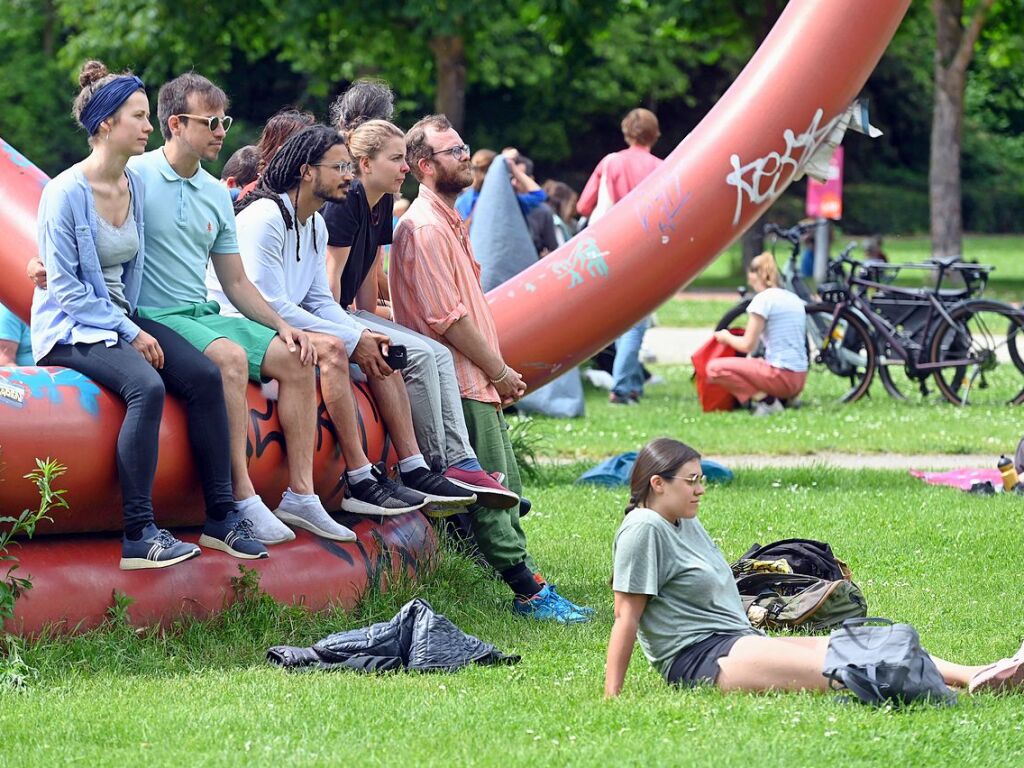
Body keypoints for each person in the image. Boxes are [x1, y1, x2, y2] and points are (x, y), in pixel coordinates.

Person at [29, 72, 349, 543]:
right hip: (133, 319)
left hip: (179, 314)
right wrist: (43, 267)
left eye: (226, 121)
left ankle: (298, 495)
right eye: (212, 121)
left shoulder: (200, 192)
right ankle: (233, 501)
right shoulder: (129, 175)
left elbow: (234, 280)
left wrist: (284, 325)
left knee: (299, 358)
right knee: (209, 368)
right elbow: (71, 261)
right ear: (176, 123)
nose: (223, 130)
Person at [30, 60, 265, 569]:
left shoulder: (131, 185)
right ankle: (139, 532)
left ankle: (222, 518)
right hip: (73, 328)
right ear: (105, 125)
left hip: (120, 318)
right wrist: (128, 330)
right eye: (138, 116)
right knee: (148, 386)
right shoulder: (65, 192)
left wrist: (132, 323)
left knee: (204, 376)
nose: (147, 126)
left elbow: (131, 274)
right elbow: (67, 290)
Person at [605, 436, 1024, 697]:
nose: (700, 489)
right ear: (657, 484)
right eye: (691, 480)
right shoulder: (643, 529)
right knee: (847, 670)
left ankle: (977, 675)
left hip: (737, 637)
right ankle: (945, 687)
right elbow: (626, 616)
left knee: (855, 641)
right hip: (699, 658)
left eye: (702, 479)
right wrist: (612, 696)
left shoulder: (683, 519)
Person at [391, 113, 594, 623]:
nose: (465, 157)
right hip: (459, 382)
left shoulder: (448, 220)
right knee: (494, 493)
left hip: (472, 378)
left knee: (501, 488)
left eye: (464, 148)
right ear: (423, 166)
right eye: (453, 152)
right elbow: (448, 320)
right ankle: (529, 594)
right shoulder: (425, 229)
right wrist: (499, 371)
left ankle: (476, 580)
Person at [211, 124, 476, 514]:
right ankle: (359, 477)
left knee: (380, 346)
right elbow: (270, 305)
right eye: (339, 167)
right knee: (336, 348)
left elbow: (320, 300)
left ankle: (413, 466)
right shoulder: (265, 217)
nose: (348, 176)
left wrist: (363, 333)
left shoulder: (314, 222)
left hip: (280, 320)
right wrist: (351, 339)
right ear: (307, 171)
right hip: (242, 321)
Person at [322, 80, 515, 507]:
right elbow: (331, 281)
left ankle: (456, 461)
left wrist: (375, 318)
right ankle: (434, 462)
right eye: (396, 158)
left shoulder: (381, 200)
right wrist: (352, 328)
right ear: (366, 160)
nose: (405, 166)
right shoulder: (349, 197)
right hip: (328, 312)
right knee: (425, 353)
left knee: (431, 351)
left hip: (347, 310)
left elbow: (370, 272)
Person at [577, 108, 663, 405]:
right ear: (655, 134)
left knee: (619, 316)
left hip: (608, 246)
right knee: (636, 319)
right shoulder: (661, 167)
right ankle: (624, 386)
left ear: (626, 132)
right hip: (643, 249)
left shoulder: (611, 162)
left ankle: (629, 381)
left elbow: (584, 205)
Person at [708, 251, 807, 415]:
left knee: (715, 369)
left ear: (755, 276)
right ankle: (788, 399)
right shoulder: (793, 298)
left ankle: (768, 402)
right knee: (759, 361)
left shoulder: (762, 300)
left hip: (781, 376)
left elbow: (747, 345)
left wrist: (727, 337)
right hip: (800, 378)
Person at [542, 179, 579, 246]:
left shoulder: (571, 223)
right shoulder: (556, 223)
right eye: (572, 205)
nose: (575, 211)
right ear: (564, 204)